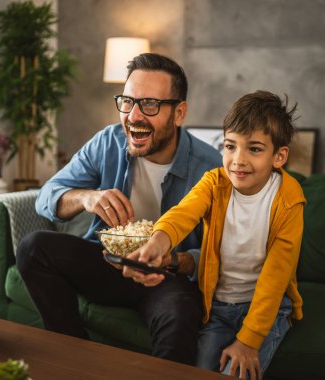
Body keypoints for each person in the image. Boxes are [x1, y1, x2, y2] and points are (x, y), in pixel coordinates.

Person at [16, 52, 222, 365]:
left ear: (179, 113)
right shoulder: (107, 142)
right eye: (128, 101)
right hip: (107, 263)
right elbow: (47, 197)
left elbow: (220, 253)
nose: (134, 116)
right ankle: (74, 361)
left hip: (165, 277)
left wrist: (173, 260)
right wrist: (86, 197)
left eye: (150, 104)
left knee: (180, 314)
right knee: (34, 248)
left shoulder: (210, 168)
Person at [125, 90, 306, 379]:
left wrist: (248, 341)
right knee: (201, 371)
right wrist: (159, 239)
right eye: (230, 146)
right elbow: (183, 213)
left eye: (254, 149)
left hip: (267, 309)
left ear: (279, 156)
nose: (238, 160)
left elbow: (276, 275)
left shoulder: (289, 199)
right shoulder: (214, 182)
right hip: (219, 307)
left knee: (237, 371)